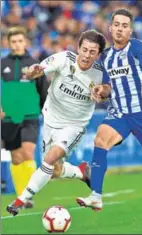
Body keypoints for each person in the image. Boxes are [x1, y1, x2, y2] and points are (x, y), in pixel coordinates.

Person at [76, 9, 142, 211]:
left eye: (125, 25)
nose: (120, 28)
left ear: (130, 30)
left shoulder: (137, 46)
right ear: (110, 28)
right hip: (119, 113)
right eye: (117, 24)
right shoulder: (105, 58)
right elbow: (107, 87)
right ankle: (96, 195)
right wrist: (99, 90)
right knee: (100, 140)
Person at [6, 29, 108, 216]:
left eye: (92, 52)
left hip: (74, 125)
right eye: (84, 49)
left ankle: (21, 200)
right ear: (78, 48)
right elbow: (34, 72)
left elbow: (108, 89)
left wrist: (103, 92)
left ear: (98, 54)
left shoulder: (101, 73)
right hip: (51, 119)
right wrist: (32, 72)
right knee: (53, 170)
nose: (86, 55)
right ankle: (81, 172)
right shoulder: (63, 59)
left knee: (49, 159)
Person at [1, 26, 49, 208]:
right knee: (16, 158)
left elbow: (43, 90)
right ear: (8, 43)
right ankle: (22, 195)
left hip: (30, 115)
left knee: (28, 152)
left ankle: (28, 195)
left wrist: (46, 110)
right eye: (13, 41)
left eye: (20, 41)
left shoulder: (35, 64)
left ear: (25, 42)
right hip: (8, 118)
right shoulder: (2, 64)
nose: (17, 44)